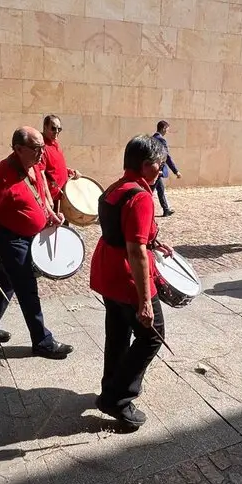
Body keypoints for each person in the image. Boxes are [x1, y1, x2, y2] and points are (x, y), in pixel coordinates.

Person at [91, 135, 174, 429]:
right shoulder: (140, 196)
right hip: (127, 276)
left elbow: (129, 234)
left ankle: (108, 390)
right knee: (152, 335)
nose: (162, 168)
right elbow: (135, 250)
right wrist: (144, 302)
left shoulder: (117, 187)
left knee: (117, 334)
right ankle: (118, 398)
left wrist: (154, 241)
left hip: (107, 272)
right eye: (159, 163)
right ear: (146, 164)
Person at [0, 127, 73, 359]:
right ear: (18, 149)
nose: (42, 154)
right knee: (27, 287)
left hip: (27, 235)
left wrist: (50, 213)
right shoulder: (1, 175)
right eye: (36, 149)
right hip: (9, 238)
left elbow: (41, 192)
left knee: (7, 280)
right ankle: (42, 342)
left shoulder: (34, 164)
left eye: (42, 148)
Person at [39, 114, 81, 211]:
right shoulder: (41, 147)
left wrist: (70, 171)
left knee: (63, 225)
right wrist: (48, 198)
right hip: (51, 198)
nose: (57, 132)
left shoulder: (54, 143)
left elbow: (55, 166)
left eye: (59, 129)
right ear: (45, 127)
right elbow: (41, 175)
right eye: (53, 128)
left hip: (62, 194)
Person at [151, 121, 181, 217]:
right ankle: (140, 207)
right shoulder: (161, 140)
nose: (167, 131)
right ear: (163, 128)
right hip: (158, 170)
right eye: (167, 129)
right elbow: (166, 157)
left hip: (152, 169)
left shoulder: (151, 139)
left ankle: (166, 209)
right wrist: (176, 171)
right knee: (150, 191)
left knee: (160, 189)